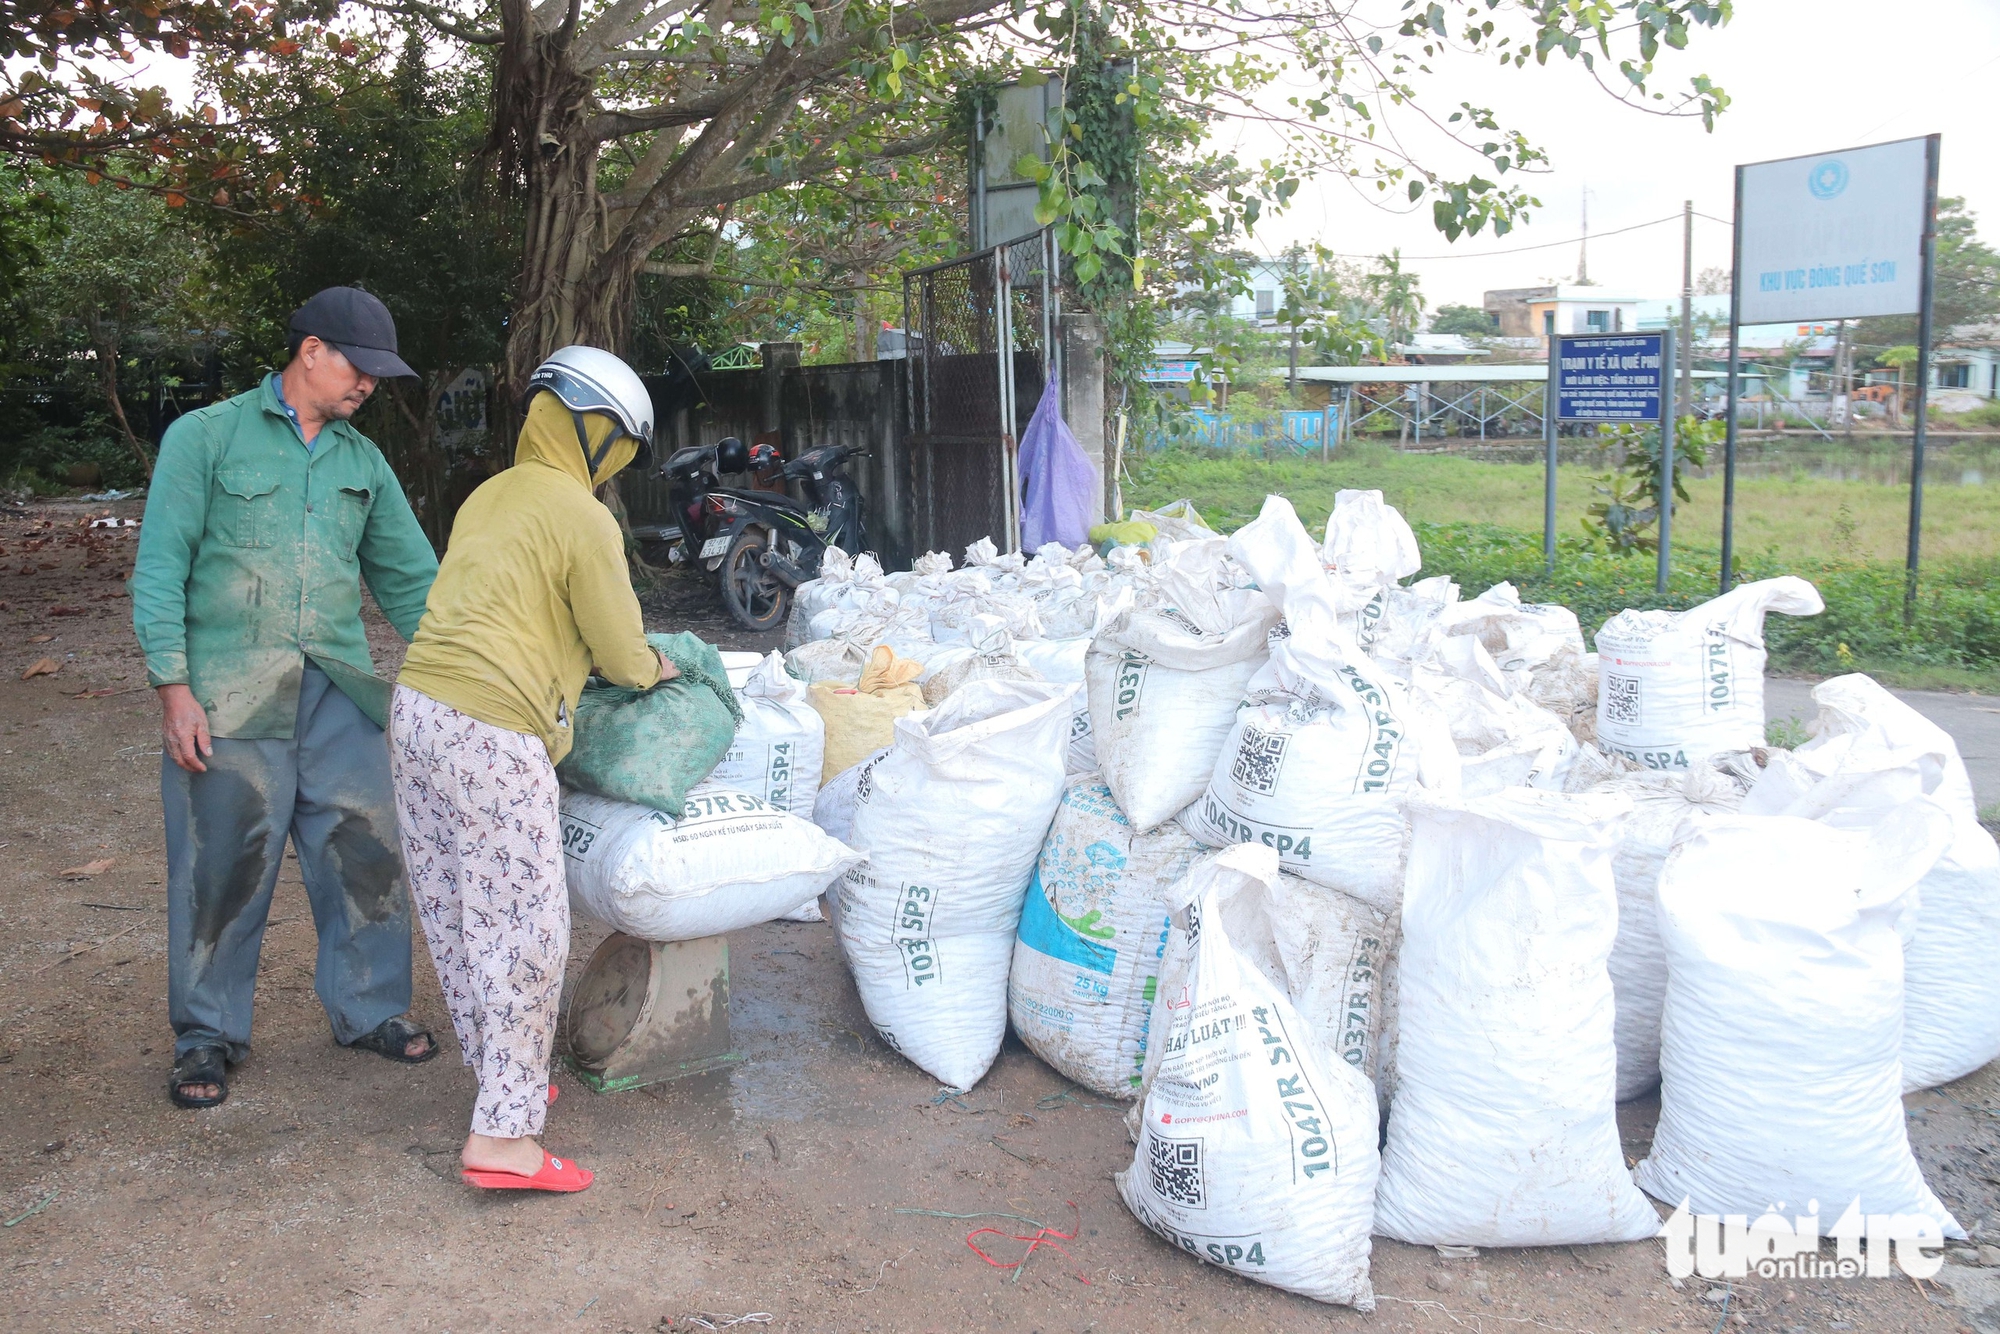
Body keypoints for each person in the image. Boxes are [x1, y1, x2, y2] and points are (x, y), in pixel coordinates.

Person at [131, 286, 443, 1109]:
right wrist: (174, 689)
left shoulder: (360, 461)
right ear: (310, 352)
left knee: (367, 853)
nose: (368, 386)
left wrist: (464, 666)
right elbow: (161, 565)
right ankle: (206, 1036)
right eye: (359, 367)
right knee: (221, 870)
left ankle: (371, 1009)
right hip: (232, 696)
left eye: (378, 374)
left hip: (339, 694)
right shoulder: (205, 439)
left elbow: (412, 580)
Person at [389, 345, 676, 1193]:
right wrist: (660, 665)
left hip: (416, 711)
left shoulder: (489, 495)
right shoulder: (583, 517)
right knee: (525, 930)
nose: (619, 467)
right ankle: (506, 1143)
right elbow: (623, 655)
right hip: (491, 726)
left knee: (457, 912)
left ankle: (502, 1091)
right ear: (597, 436)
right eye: (620, 448)